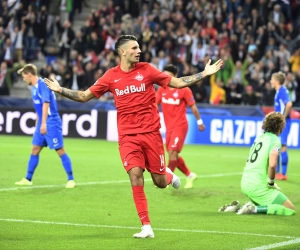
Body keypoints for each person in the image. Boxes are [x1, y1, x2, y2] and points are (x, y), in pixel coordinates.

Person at [44, 35, 223, 238]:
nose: (139, 51)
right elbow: (85, 96)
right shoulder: (110, 76)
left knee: (159, 182)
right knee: (135, 175)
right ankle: (146, 226)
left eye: (139, 47)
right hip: (128, 137)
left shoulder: (147, 69)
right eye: (134, 48)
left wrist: (205, 73)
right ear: (123, 51)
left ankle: (169, 175)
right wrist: (60, 90)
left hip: (151, 134)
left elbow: (178, 83)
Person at [15, 64, 75, 189]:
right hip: (42, 123)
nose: (23, 79)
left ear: (29, 74)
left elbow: (46, 103)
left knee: (60, 150)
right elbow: (39, 108)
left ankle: (71, 179)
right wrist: (38, 123)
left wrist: (43, 124)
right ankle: (28, 179)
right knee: (35, 149)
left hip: (51, 122)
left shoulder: (42, 84)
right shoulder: (34, 88)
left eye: (23, 76)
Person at [156, 64, 205, 189]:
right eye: (164, 75)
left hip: (180, 126)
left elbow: (193, 107)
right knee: (173, 155)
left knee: (172, 152)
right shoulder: (162, 90)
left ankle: (166, 179)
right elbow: (154, 105)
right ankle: (190, 175)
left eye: (169, 76)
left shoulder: (184, 89)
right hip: (169, 128)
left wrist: (199, 122)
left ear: (175, 76)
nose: (166, 78)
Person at [237, 112, 295, 215]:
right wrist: (271, 182)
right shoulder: (275, 141)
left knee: (267, 205)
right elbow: (273, 165)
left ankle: (238, 207)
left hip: (245, 182)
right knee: (290, 209)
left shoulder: (259, 138)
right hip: (258, 186)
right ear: (280, 126)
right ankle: (252, 209)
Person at [271, 72, 292, 180]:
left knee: (282, 146)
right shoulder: (280, 91)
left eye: (272, 79)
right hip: (279, 123)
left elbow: (289, 104)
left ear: (277, 81)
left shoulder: (282, 91)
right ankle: (278, 173)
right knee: (277, 146)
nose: (271, 81)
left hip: (283, 123)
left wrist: (283, 117)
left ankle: (283, 173)